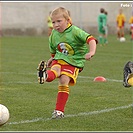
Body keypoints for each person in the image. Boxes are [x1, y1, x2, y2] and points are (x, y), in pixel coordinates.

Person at [37, 7, 97, 119]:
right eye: (53, 22)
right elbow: (54, 50)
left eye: (59, 21)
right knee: (55, 71)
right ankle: (45, 75)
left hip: (74, 62)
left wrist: (91, 52)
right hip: (59, 59)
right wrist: (52, 58)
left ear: (68, 20)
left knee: (64, 79)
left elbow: (91, 39)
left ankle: (59, 110)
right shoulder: (53, 35)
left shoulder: (75, 31)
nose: (55, 25)